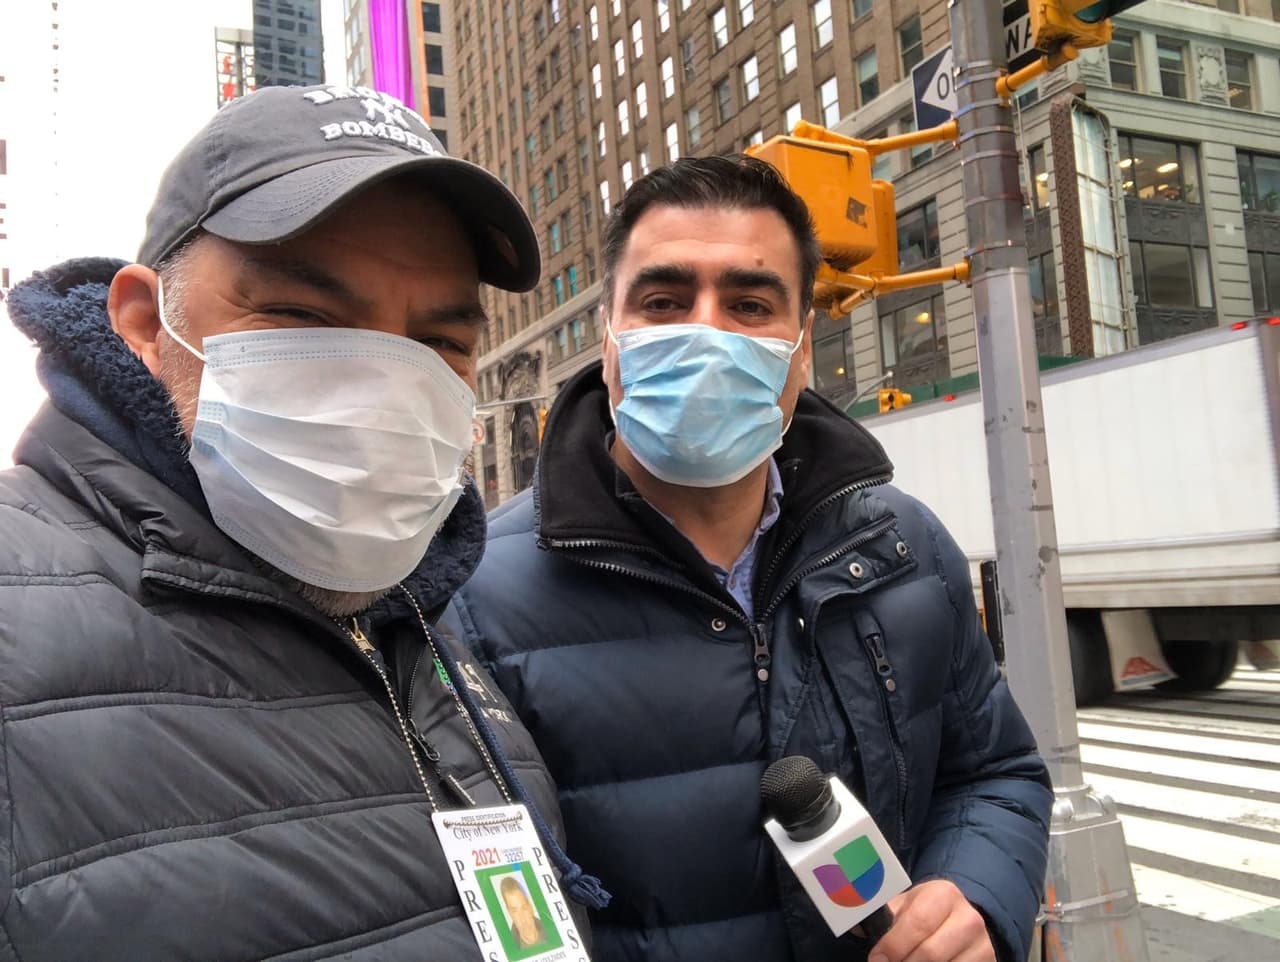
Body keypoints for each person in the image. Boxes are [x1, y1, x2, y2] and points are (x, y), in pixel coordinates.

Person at [0, 84, 603, 960]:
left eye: (439, 343)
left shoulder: (413, 618)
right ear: (143, 322)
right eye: (303, 316)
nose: (385, 387)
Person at [445, 156, 1053, 962]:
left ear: (803, 349)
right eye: (664, 301)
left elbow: (995, 774)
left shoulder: (905, 548)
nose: (706, 333)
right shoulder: (474, 598)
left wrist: (973, 897)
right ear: (610, 340)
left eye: (749, 304)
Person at [501, 876, 550, 950]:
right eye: (515, 911)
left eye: (524, 908)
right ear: (509, 913)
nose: (523, 919)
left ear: (530, 906)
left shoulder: (551, 927)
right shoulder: (508, 949)